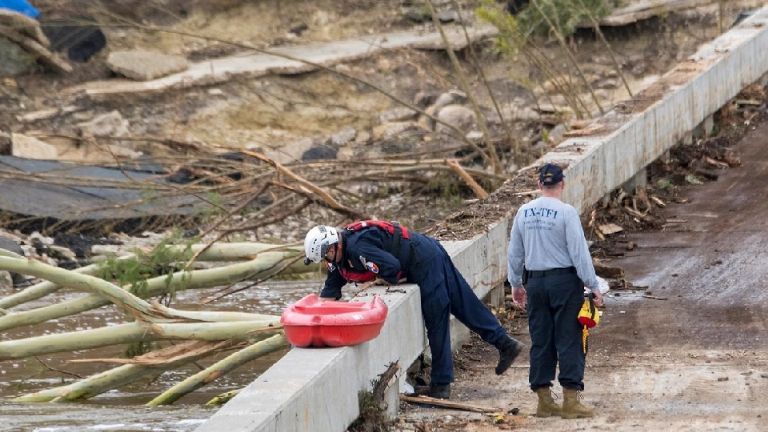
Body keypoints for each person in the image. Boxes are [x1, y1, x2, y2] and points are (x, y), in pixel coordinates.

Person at [303, 220, 523, 400]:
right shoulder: (339, 256)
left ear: (333, 247)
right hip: (427, 250)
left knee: (437, 319)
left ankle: (441, 385)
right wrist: (315, 320)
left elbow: (391, 267)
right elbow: (330, 290)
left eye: (325, 256)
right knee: (464, 303)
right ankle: (505, 344)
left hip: (423, 260)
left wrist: (380, 280)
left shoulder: (358, 248)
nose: (325, 262)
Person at [507, 163, 604, 419]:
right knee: (569, 338)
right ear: (562, 184)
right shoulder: (566, 212)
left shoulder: (523, 212)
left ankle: (544, 401)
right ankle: (571, 401)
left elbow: (515, 252)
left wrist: (516, 284)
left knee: (541, 339)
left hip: (535, 284)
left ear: (539, 184)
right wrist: (593, 285)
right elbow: (579, 253)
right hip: (564, 283)